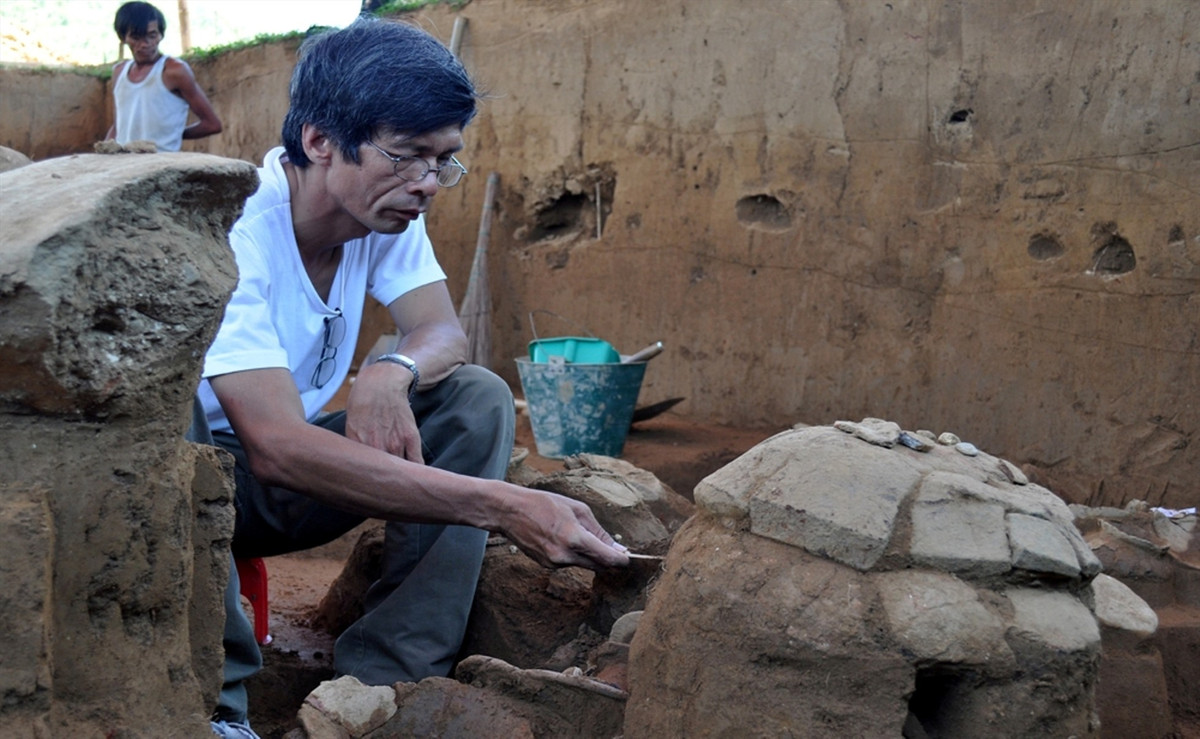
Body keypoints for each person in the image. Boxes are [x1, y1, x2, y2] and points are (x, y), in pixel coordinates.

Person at [189, 16, 629, 738]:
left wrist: (390, 370)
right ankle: (220, 705)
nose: (428, 183)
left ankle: (383, 679)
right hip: (206, 482)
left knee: (475, 398)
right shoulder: (238, 233)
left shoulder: (384, 211)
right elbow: (273, 444)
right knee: (180, 452)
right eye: (407, 156)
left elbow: (443, 332)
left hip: (279, 479)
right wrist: (498, 503)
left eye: (443, 160)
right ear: (319, 141)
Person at [106, 1, 222, 151]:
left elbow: (212, 124)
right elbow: (118, 127)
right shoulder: (119, 73)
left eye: (152, 35)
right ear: (123, 37)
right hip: (125, 167)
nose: (145, 44)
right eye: (136, 37)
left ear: (161, 35)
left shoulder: (174, 71)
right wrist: (103, 157)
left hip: (162, 167)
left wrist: (174, 134)